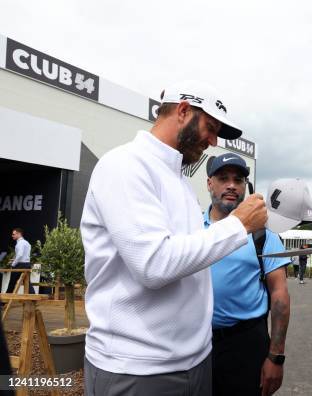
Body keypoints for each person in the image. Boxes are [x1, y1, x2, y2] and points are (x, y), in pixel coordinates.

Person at [80, 81, 267, 396]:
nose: (213, 140)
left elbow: (188, 259)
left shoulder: (177, 178)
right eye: (210, 127)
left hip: (194, 361)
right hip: (139, 368)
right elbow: (154, 264)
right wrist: (239, 225)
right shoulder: (125, 165)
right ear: (182, 110)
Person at [206, 153, 290, 396]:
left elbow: (280, 295)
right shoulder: (191, 228)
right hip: (195, 343)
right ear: (209, 183)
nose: (232, 185)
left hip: (244, 343)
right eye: (223, 178)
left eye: (239, 179)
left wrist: (276, 357)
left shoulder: (263, 235)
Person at [7, 228, 35, 294]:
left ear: (19, 234)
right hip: (27, 264)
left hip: (20, 265)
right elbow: (25, 255)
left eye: (13, 234)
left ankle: (5, 299)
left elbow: (20, 255)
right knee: (27, 282)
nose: (12, 235)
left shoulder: (20, 243)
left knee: (12, 282)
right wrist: (14, 260)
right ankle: (33, 298)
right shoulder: (26, 243)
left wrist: (13, 264)